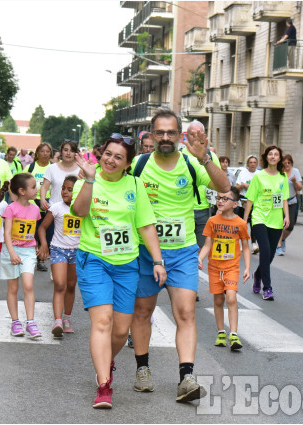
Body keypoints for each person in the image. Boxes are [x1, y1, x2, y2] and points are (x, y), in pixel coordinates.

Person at [130, 108, 229, 402]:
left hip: (183, 251)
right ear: (151, 134)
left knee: (185, 312)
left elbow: (224, 187)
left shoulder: (191, 164)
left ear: (179, 135)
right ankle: (142, 369)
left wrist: (205, 158)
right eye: (159, 132)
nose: (164, 137)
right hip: (145, 251)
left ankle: (186, 376)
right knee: (143, 312)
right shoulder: (140, 164)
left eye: (170, 132)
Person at [71, 136, 166, 409]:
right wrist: (89, 180)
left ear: (127, 164)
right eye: (108, 154)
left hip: (127, 265)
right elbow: (79, 212)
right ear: (101, 155)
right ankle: (104, 385)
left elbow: (146, 225)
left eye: (118, 157)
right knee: (102, 322)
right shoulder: (86, 179)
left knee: (121, 331)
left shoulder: (135, 185)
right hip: (94, 259)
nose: (111, 160)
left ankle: (106, 361)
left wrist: (158, 261)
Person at [198, 187, 251, 351]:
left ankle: (233, 334)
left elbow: (246, 247)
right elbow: (208, 244)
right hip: (214, 267)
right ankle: (221, 332)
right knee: (218, 300)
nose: (220, 201)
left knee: (230, 297)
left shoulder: (240, 224)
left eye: (225, 199)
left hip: (231, 267)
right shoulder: (212, 221)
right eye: (218, 198)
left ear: (235, 204)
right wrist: (199, 258)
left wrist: (247, 267)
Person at [243, 145, 290, 301]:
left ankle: (257, 274)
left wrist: (286, 216)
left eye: (276, 154)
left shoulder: (283, 177)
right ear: (266, 157)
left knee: (269, 255)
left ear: (279, 158)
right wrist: (245, 220)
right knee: (264, 251)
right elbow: (250, 199)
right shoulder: (258, 176)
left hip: (276, 220)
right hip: (259, 218)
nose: (273, 156)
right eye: (270, 154)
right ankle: (267, 288)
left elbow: (284, 199)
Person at [37, 175, 80, 337]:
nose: (65, 192)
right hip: (58, 250)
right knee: (60, 284)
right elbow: (42, 228)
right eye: (63, 188)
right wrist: (44, 244)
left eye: (70, 190)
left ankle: (67, 318)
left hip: (77, 252)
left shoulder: (82, 209)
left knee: (70, 285)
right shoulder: (56, 207)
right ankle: (57, 320)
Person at [0, 173, 42, 339]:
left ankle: (31, 322)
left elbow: (33, 231)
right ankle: (15, 322)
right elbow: (7, 233)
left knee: (28, 284)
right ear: (22, 191)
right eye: (33, 187)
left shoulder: (36, 209)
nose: (36, 189)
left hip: (28, 252)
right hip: (12, 251)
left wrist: (38, 245)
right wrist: (11, 252)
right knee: (13, 288)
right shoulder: (11, 209)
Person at [183, 120, 221, 249]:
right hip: (184, 210)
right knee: (184, 248)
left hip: (204, 210)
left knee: (201, 249)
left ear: (204, 136)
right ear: (187, 136)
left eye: (199, 134)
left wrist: (220, 209)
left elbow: (221, 183)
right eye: (192, 134)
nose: (196, 137)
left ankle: (195, 269)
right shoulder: (180, 155)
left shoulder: (211, 156)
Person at [26, 143, 53, 272]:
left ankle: (41, 260)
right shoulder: (30, 167)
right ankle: (32, 257)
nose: (45, 154)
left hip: (50, 205)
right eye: (42, 151)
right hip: (33, 203)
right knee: (34, 233)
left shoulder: (54, 168)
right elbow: (21, 183)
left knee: (47, 233)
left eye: (48, 151)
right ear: (37, 153)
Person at [276, 154, 303, 256]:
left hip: (292, 201)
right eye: (285, 162)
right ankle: (278, 246)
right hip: (279, 201)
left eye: (289, 163)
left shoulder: (295, 172)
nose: (287, 165)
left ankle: (282, 239)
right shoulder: (279, 173)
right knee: (280, 224)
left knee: (290, 226)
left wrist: (295, 181)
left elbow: (300, 188)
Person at [236, 155, 260, 253]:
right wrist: (243, 185)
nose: (253, 164)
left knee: (254, 223)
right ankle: (242, 243)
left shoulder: (259, 174)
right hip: (243, 200)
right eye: (251, 162)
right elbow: (237, 187)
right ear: (247, 164)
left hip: (255, 200)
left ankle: (254, 243)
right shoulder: (243, 173)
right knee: (243, 222)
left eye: (254, 162)